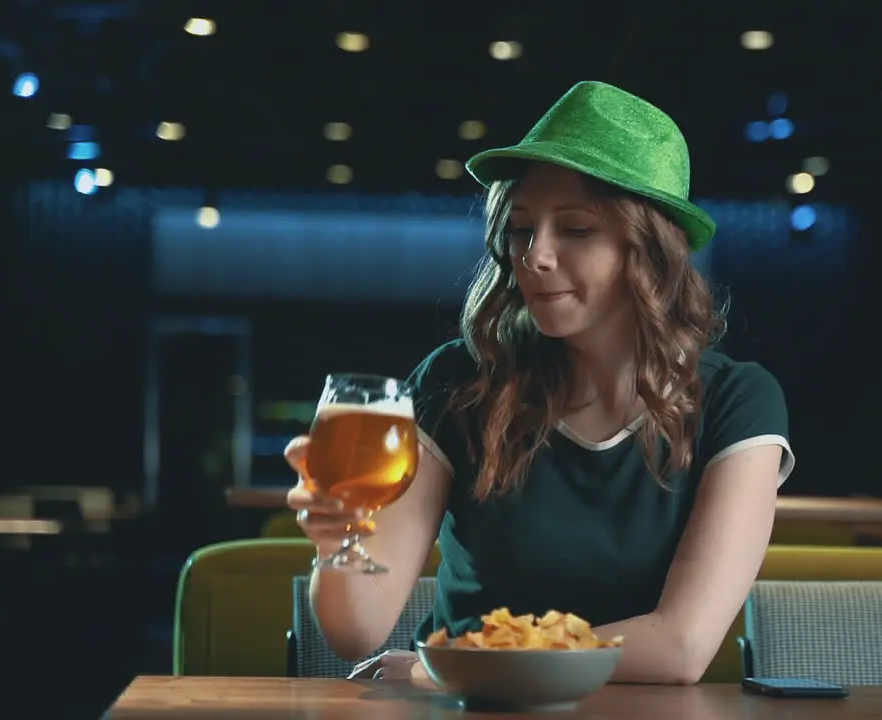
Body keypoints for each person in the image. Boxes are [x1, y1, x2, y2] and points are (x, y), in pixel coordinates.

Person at [285, 81, 795, 685]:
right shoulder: (458, 380)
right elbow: (358, 633)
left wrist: (451, 665)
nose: (535, 256)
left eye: (575, 230)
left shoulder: (738, 400)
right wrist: (335, 541)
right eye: (523, 228)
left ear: (652, 250)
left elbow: (681, 647)